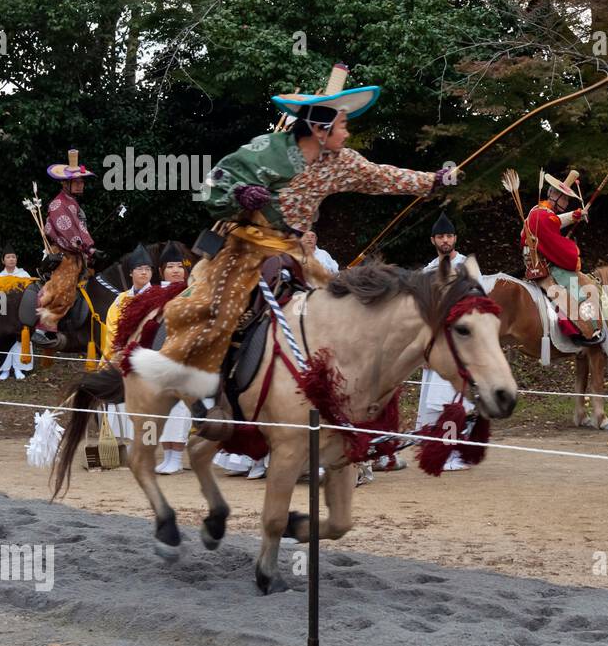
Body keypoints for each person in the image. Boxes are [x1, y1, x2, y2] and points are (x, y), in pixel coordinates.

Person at [130, 62, 459, 401]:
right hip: (245, 246)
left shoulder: (341, 162)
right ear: (320, 129)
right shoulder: (265, 150)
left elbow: (380, 176)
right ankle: (197, 381)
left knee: (341, 309)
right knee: (221, 306)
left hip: (296, 252)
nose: (347, 133)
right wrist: (241, 195)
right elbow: (214, 184)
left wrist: (431, 180)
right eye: (342, 125)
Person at [409, 211, 471, 472]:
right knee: (436, 401)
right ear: (433, 240)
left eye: (449, 235)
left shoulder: (467, 266)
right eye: (440, 237)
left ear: (455, 238)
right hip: (436, 342)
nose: (445, 240)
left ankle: (458, 452)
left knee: (459, 401)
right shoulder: (428, 271)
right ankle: (440, 450)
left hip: (461, 341)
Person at [521, 169, 601, 339]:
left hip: (537, 259)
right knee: (572, 286)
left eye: (566, 198)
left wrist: (574, 215)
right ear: (554, 196)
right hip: (543, 264)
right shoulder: (543, 216)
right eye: (564, 198)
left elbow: (556, 221)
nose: (566, 202)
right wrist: (573, 251)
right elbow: (558, 242)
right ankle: (581, 329)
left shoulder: (539, 210)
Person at [33, 149, 96, 349]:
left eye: (82, 181)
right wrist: (87, 248)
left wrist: (89, 250)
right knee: (64, 287)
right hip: (66, 253)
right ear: (65, 183)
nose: (81, 184)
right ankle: (43, 328)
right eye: (77, 181)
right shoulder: (58, 204)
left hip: (76, 253)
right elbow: (68, 233)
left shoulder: (71, 203)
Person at [101, 244, 157, 442]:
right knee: (120, 400)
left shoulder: (157, 297)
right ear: (131, 272)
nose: (144, 272)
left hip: (147, 357)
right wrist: (117, 350)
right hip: (121, 357)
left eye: (148, 269)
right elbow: (111, 327)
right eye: (140, 269)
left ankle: (143, 443)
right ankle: (119, 442)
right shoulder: (121, 299)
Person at [155, 243, 193, 475]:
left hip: (185, 357)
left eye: (180, 266)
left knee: (180, 408)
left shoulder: (193, 291)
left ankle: (177, 456)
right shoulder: (154, 293)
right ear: (161, 271)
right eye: (171, 266)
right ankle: (167, 454)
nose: (176, 270)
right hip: (158, 357)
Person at [0, 247, 34, 380]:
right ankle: (5, 370)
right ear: (3, 260)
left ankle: (19, 368)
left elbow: (31, 294)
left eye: (13, 257)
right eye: (8, 257)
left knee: (20, 338)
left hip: (20, 313)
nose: (11, 259)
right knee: (4, 340)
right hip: (3, 314)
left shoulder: (24, 275)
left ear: (16, 259)